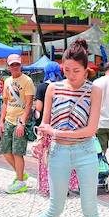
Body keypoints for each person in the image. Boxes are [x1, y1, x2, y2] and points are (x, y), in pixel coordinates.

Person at [31, 38, 106, 217]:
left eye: (77, 71)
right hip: (59, 152)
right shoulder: (53, 88)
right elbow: (45, 122)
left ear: (87, 70)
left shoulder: (94, 90)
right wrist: (41, 138)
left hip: (85, 151)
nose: (71, 75)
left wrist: (55, 132)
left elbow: (91, 129)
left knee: (90, 207)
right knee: (56, 205)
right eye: (67, 70)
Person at [34, 61, 78, 197]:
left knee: (47, 159)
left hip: (47, 129)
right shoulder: (64, 85)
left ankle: (50, 186)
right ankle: (65, 186)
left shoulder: (42, 87)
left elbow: (39, 109)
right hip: (63, 128)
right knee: (65, 158)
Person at [0, 54, 35, 194]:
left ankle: (20, 182)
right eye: (12, 65)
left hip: (20, 120)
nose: (14, 67)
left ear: (21, 65)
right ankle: (21, 174)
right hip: (8, 119)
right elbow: (5, 102)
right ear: (8, 66)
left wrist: (22, 123)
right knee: (6, 151)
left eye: (17, 64)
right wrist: (1, 121)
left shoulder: (27, 81)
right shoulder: (7, 81)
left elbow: (29, 103)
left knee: (17, 152)